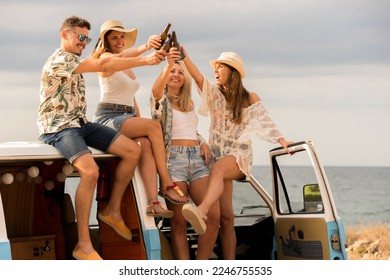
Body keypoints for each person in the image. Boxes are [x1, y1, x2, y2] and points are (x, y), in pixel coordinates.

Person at [37, 16, 166, 260]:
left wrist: (147, 49)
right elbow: (101, 65)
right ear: (65, 34)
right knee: (90, 172)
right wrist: (147, 59)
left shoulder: (76, 58)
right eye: (80, 37)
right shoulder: (59, 60)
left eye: (87, 38)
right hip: (59, 128)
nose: (84, 42)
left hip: (81, 124)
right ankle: (83, 245)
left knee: (132, 150)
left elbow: (113, 59)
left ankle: (113, 210)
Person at [180, 49, 294, 259]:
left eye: (220, 66)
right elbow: (196, 75)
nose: (216, 70)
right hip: (217, 157)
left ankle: (201, 210)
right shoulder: (214, 93)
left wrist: (281, 140)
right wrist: (182, 55)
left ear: (233, 71)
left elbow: (265, 120)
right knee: (226, 218)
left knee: (218, 169)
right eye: (215, 67)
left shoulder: (249, 98)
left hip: (238, 155)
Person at [92, 20, 187, 218]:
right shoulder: (105, 59)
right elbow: (125, 56)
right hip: (108, 116)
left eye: (121, 37)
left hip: (126, 116)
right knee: (153, 127)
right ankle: (167, 183)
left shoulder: (126, 65)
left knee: (145, 143)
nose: (119, 41)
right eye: (114, 37)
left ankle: (152, 201)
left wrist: (141, 122)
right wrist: (146, 48)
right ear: (106, 42)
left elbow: (130, 98)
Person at [150, 48, 220, 260]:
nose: (176, 75)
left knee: (213, 217)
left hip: (197, 161)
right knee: (179, 223)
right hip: (173, 162)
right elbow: (156, 90)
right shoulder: (160, 102)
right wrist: (167, 64)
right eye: (172, 71)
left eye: (180, 72)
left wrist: (202, 141)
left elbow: (189, 130)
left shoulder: (189, 103)